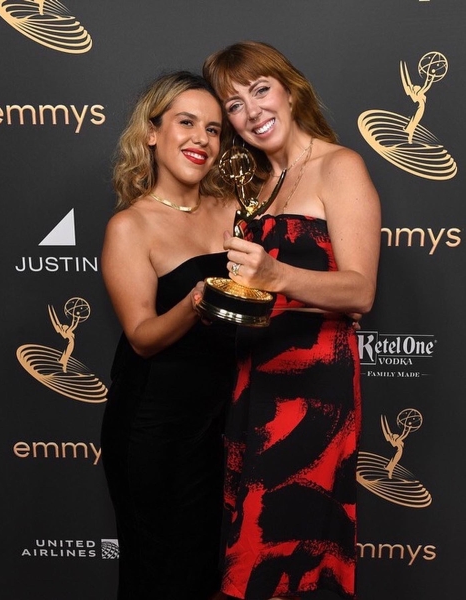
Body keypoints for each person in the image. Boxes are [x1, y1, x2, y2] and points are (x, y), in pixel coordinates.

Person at [203, 41, 381, 600]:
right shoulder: (254, 186)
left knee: (293, 547)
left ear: (290, 88)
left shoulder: (340, 166)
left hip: (313, 398)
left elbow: (360, 292)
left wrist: (276, 275)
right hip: (252, 385)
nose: (252, 112)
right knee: (246, 553)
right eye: (234, 105)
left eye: (260, 90)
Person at [100, 71, 237, 600]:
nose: (201, 139)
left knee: (211, 573)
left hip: (224, 425)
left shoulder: (234, 212)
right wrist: (198, 299)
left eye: (214, 129)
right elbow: (142, 336)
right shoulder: (130, 227)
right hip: (154, 431)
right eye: (186, 123)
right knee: (160, 574)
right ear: (152, 133)